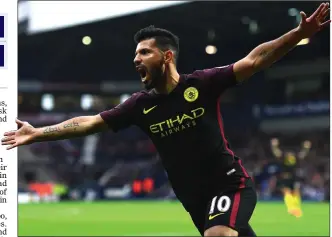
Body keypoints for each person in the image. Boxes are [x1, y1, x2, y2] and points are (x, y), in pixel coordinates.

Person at [2, 3, 330, 236]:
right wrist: (38, 132)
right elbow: (88, 123)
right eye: (135, 55)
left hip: (229, 184)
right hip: (194, 199)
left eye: (144, 53)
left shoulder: (201, 84)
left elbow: (255, 60)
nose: (136, 60)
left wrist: (299, 33)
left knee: (218, 234)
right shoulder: (139, 106)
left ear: (167, 56)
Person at [270, 138, 312, 218]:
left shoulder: (295, 156)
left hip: (294, 177)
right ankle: (291, 208)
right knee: (287, 191)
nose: (290, 154)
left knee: (296, 192)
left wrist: (306, 148)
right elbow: (276, 153)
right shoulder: (283, 156)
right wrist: (274, 146)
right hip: (285, 177)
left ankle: (296, 208)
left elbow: (302, 154)